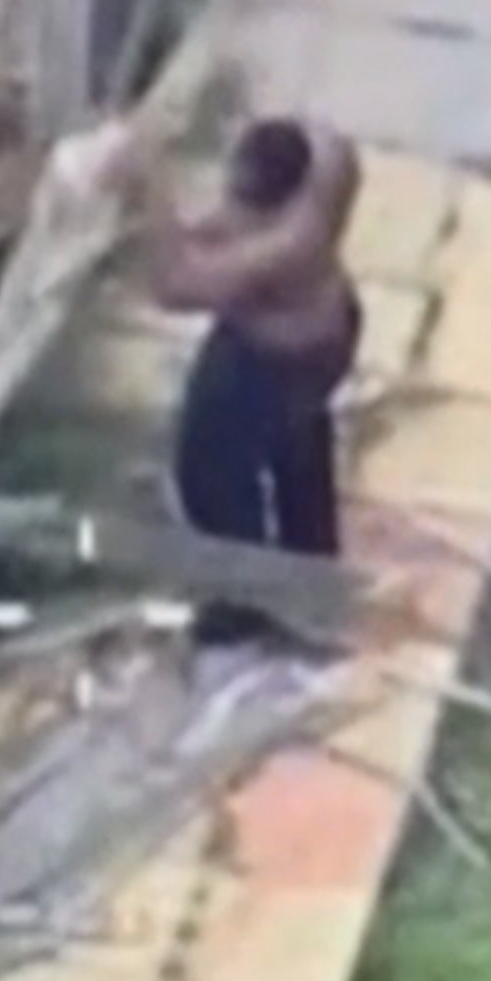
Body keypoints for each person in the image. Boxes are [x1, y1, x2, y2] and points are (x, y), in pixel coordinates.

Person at [128, 116, 363, 654]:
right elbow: (319, 140)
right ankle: (313, 579)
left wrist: (148, 189)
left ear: (276, 207)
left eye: (243, 204)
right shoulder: (326, 160)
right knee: (298, 454)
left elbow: (176, 287)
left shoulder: (289, 246)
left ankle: (244, 604)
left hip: (277, 362)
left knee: (211, 473)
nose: (228, 208)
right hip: (329, 333)